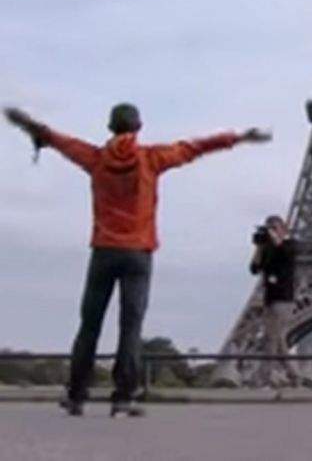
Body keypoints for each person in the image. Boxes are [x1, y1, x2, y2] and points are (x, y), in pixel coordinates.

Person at [2, 103, 270, 417]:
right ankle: (124, 397)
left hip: (103, 251)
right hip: (138, 253)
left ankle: (76, 395)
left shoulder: (96, 159)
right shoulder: (151, 158)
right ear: (138, 127)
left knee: (89, 325)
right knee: (131, 327)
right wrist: (236, 137)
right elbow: (195, 147)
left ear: (110, 127)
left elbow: (61, 141)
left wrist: (33, 127)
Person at [249, 214, 299, 387]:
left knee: (271, 338)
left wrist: (275, 237)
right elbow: (254, 268)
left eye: (274, 227)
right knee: (278, 339)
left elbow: (285, 253)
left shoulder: (290, 245)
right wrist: (259, 247)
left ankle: (263, 378)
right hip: (269, 298)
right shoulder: (268, 249)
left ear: (283, 229)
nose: (270, 231)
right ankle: (294, 375)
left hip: (284, 299)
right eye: (268, 227)